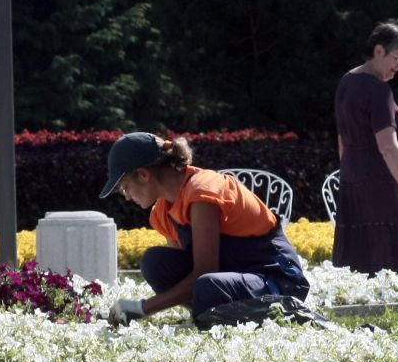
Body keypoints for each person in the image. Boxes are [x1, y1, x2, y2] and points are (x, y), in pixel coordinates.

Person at [99, 132, 309, 325]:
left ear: (143, 175)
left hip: (277, 280)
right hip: (234, 278)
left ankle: (270, 313)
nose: (127, 196)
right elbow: (182, 274)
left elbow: (205, 271)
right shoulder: (161, 212)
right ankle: (210, 316)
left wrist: (142, 308)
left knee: (207, 286)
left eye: (125, 187)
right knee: (155, 263)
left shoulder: (203, 191)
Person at [332, 20, 398, 277]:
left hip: (353, 178)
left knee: (358, 256)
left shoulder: (346, 82)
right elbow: (388, 147)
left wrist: (349, 172)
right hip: (384, 184)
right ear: (379, 50)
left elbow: (342, 140)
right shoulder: (378, 89)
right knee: (385, 261)